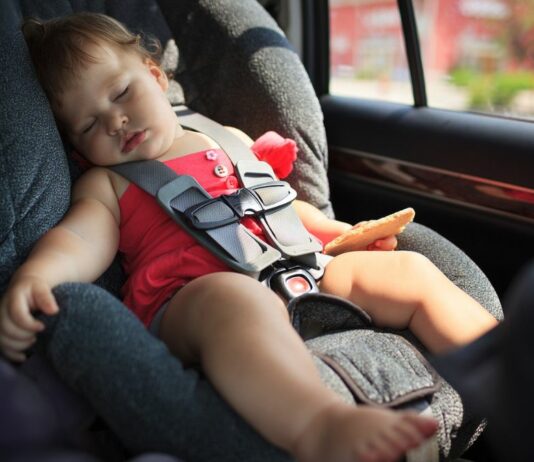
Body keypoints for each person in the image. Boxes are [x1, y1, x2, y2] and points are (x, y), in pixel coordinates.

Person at [0, 12, 498, 462]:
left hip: (299, 273)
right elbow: (79, 240)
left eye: (120, 93)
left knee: (407, 270)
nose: (115, 120)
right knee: (235, 298)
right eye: (89, 124)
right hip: (194, 300)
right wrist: (37, 275)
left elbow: (282, 207)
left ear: (155, 75)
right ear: (77, 147)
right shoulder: (108, 184)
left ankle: (504, 374)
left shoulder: (226, 137)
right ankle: (319, 426)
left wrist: (342, 235)